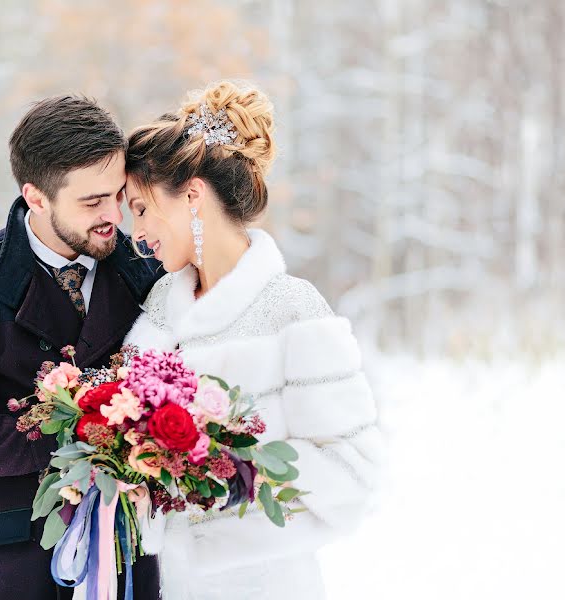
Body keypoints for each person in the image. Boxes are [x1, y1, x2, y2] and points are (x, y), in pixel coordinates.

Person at [123, 81, 383, 599]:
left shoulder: (293, 308)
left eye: (142, 208)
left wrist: (223, 468)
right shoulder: (156, 311)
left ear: (192, 195)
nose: (137, 231)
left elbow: (354, 473)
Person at [0, 95, 163, 599]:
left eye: (117, 195)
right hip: (10, 557)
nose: (113, 216)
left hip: (128, 556)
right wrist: (81, 433)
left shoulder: (150, 273)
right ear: (36, 197)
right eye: (91, 202)